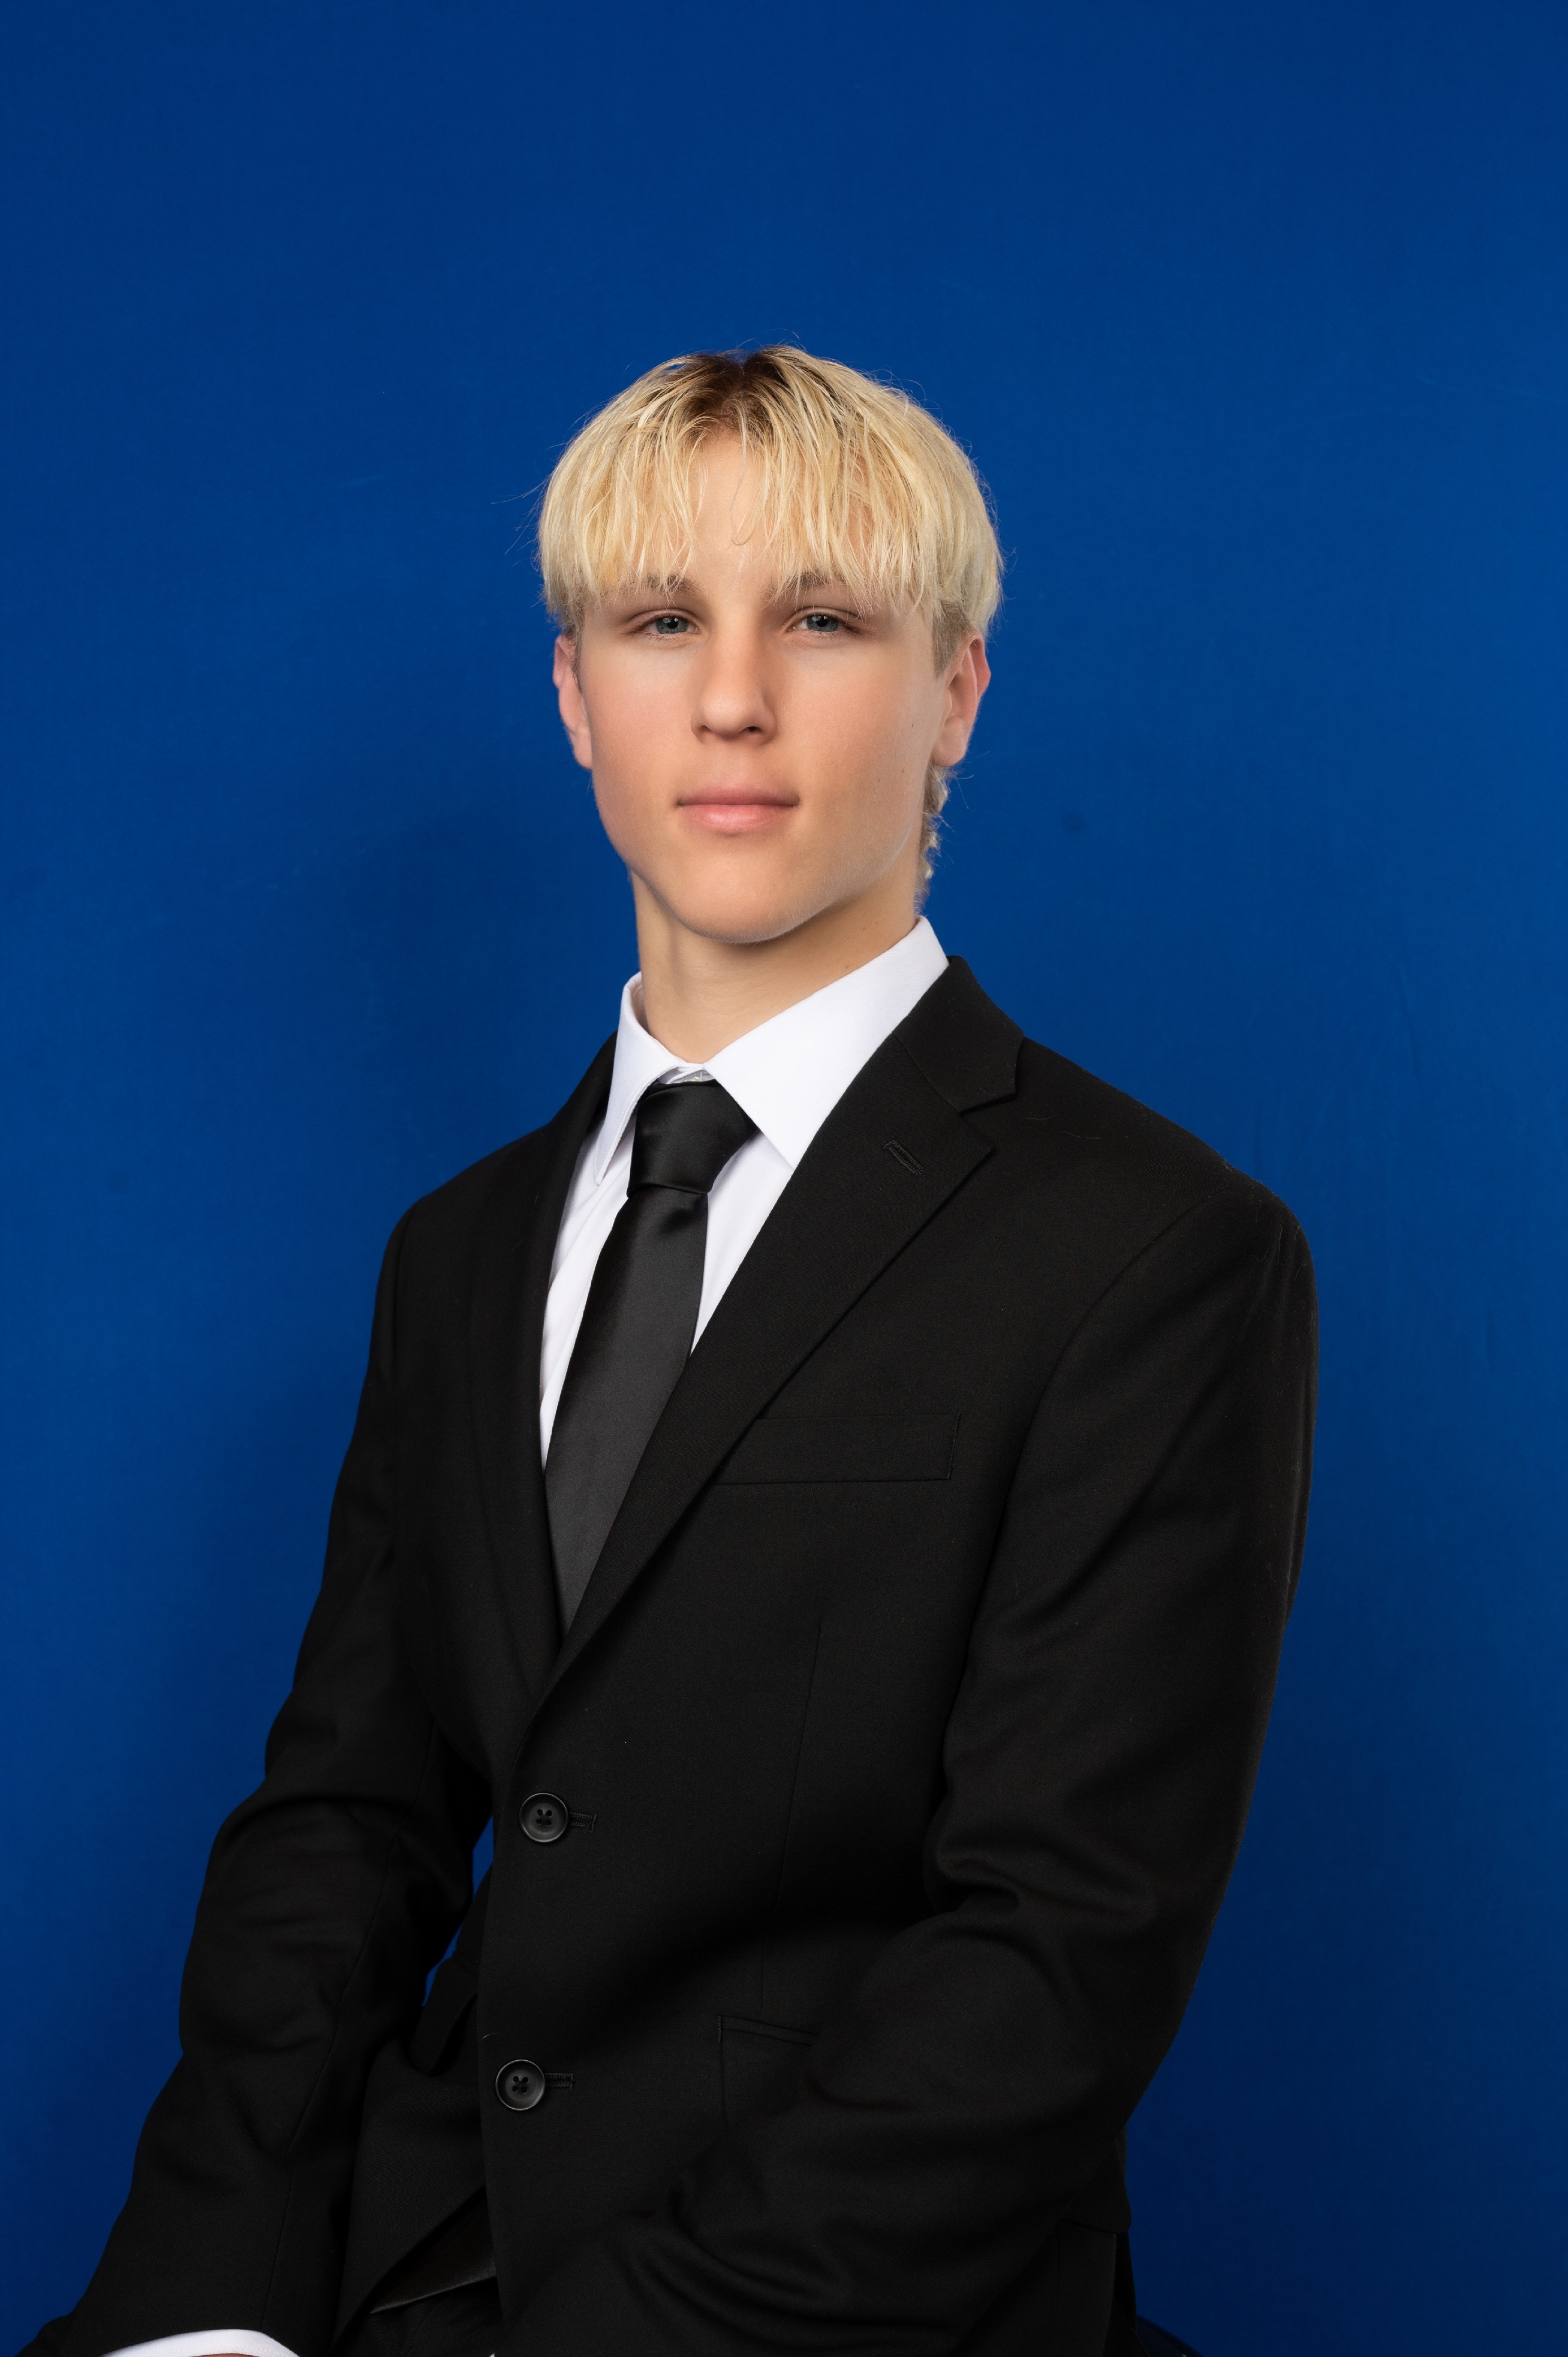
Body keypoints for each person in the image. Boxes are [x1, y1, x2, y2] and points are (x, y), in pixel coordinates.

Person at [23, 347, 1316, 2357]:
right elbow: (343, 1830)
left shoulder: (1155, 1252)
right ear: (575, 697)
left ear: (958, 692)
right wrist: (199, 2311)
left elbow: (1052, 1960)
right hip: (408, 2270)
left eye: (823, 619)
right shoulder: (456, 1254)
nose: (731, 696)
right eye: (657, 621)